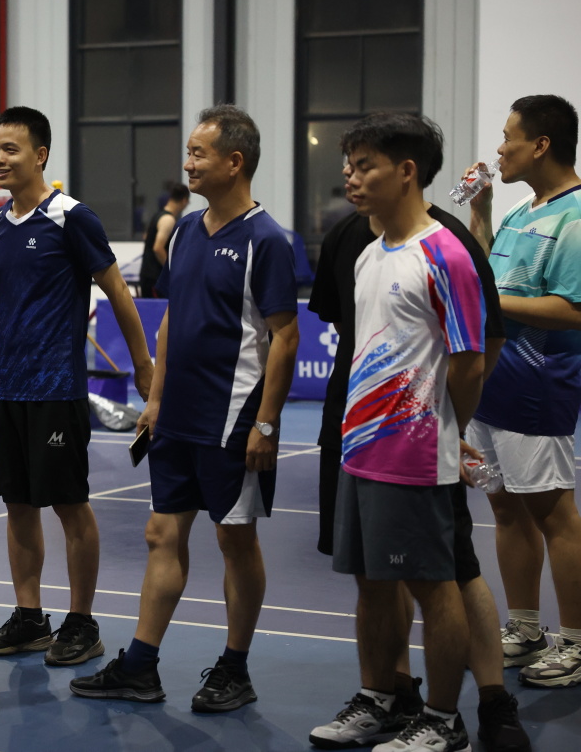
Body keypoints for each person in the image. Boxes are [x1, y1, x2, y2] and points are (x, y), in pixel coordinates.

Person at [307, 114, 530, 751]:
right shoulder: (367, 253)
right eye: (349, 166)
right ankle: (380, 698)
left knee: (436, 586)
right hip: (358, 449)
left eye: (365, 166)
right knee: (372, 584)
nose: (350, 178)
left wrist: (446, 428)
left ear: (406, 171)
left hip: (415, 452)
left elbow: (471, 360)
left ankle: (441, 719)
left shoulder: (446, 253)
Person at [71, 104, 299, 711]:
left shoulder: (266, 240)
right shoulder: (187, 232)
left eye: (199, 153)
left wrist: (266, 423)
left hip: (233, 418)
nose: (188, 163)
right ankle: (140, 666)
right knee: (160, 533)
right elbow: (173, 319)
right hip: (176, 415)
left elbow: (286, 336)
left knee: (234, 540)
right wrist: (155, 398)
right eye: (189, 152)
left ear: (235, 161)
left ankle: (235, 668)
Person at [0, 106, 154, 667]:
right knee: (18, 505)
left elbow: (117, 291)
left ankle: (82, 622)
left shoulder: (72, 217)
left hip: (57, 390)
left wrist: (143, 366)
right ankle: (30, 618)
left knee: (70, 506)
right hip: (6, 390)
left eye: (11, 149)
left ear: (41, 155)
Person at [467, 94, 581, 689]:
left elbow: (571, 309)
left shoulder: (575, 216)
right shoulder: (519, 211)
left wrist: (487, 300)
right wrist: (481, 212)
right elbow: (490, 273)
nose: (499, 148)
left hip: (538, 387)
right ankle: (527, 627)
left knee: (555, 514)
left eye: (508, 136)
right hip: (493, 385)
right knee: (506, 508)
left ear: (541, 145)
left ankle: (577, 642)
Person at [138, 182, 189, 298]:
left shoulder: (158, 215)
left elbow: (146, 237)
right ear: (184, 201)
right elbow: (158, 248)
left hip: (149, 276)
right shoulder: (168, 219)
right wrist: (172, 269)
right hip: (154, 278)